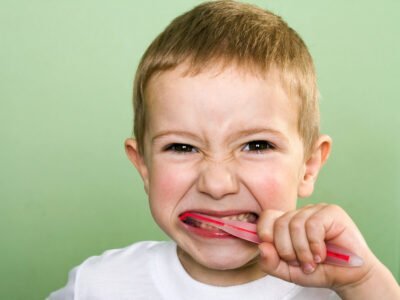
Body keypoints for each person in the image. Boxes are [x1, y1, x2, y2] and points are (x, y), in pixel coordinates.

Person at [48, 1, 400, 299]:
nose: (216, 184)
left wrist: (365, 281)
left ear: (308, 166)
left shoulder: (343, 290)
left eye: (257, 145)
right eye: (182, 147)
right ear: (144, 166)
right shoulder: (98, 286)